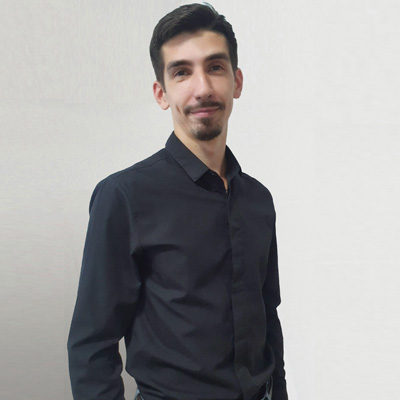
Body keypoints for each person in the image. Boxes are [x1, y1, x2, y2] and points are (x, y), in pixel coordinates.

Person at [67, 4, 288, 400]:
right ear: (161, 93)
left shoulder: (258, 199)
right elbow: (91, 345)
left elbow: (267, 317)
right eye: (182, 72)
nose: (202, 88)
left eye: (215, 67)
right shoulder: (124, 196)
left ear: (236, 81)